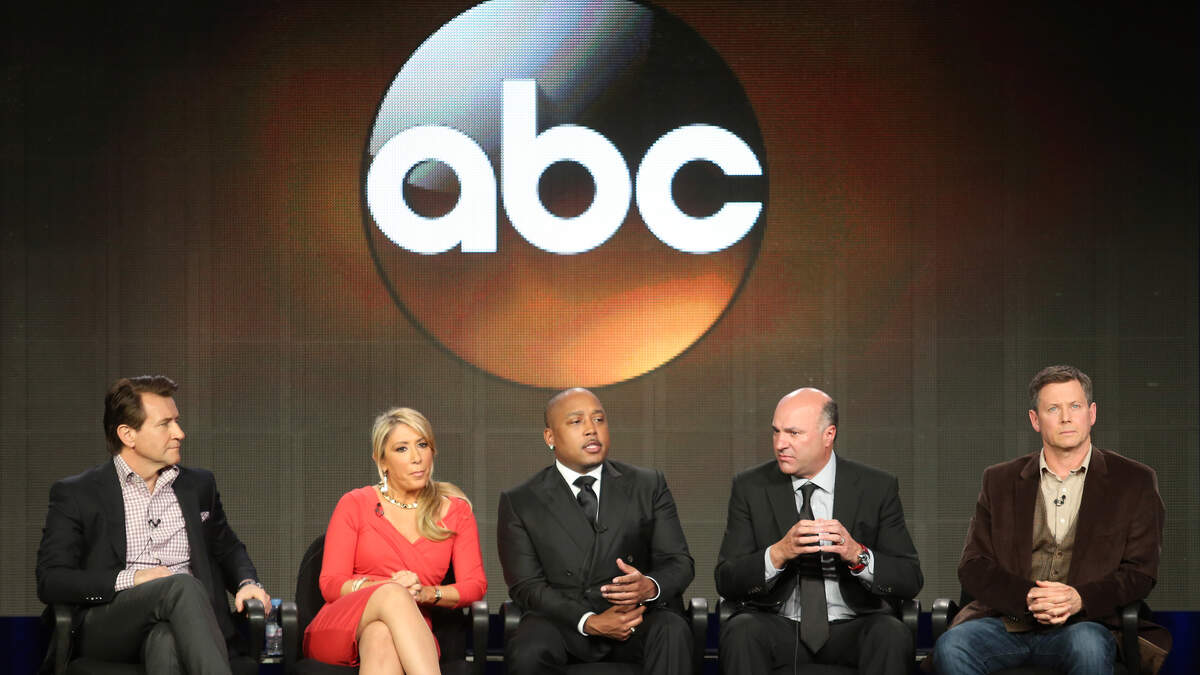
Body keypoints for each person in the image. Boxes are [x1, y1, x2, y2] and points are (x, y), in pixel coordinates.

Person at [932, 365, 1170, 675]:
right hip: (1007, 622)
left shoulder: (1134, 481)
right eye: (1053, 409)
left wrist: (1078, 598)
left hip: (1086, 623)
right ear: (1035, 420)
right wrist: (1028, 597)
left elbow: (1140, 572)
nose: (1066, 417)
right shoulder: (1000, 481)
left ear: (1092, 413)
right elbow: (973, 565)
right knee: (952, 646)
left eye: (1075, 406)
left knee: (1088, 646)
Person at [36, 375, 272, 675]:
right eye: (165, 424)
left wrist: (247, 583)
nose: (180, 433)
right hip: (109, 624)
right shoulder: (78, 493)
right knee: (181, 585)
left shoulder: (198, 486)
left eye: (177, 421)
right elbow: (52, 580)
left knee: (166, 639)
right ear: (128, 435)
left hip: (189, 625)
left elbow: (227, 548)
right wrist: (133, 579)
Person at [715, 387, 923, 675]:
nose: (780, 444)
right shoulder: (750, 487)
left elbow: (909, 579)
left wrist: (857, 555)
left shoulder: (876, 487)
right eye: (776, 432)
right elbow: (727, 579)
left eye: (793, 433)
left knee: (891, 634)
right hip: (777, 626)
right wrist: (778, 554)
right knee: (741, 631)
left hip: (854, 625)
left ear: (829, 435)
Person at [497, 387, 695, 675]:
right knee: (529, 650)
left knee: (672, 630)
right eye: (576, 421)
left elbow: (679, 562)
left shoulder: (647, 485)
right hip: (564, 622)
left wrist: (649, 586)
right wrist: (589, 621)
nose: (592, 430)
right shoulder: (521, 501)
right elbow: (526, 585)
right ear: (550, 437)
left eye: (599, 420)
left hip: (635, 617)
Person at [303, 407, 486, 674]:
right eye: (402, 449)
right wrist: (388, 588)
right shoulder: (355, 504)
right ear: (382, 460)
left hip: (411, 629)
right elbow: (331, 584)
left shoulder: (456, 512)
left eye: (422, 445)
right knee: (392, 595)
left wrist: (424, 593)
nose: (416, 458)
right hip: (342, 624)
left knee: (381, 636)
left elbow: (474, 586)